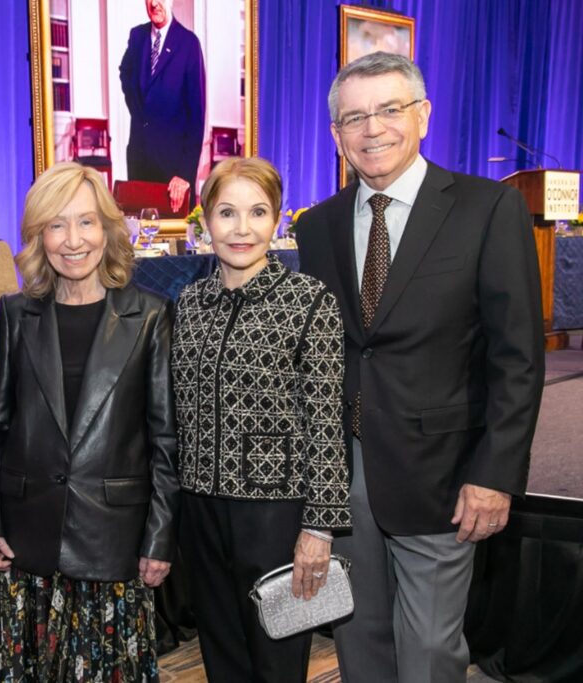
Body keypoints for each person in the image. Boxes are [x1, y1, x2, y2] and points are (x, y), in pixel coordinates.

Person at [295, 52, 545, 683]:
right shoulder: (317, 226)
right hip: (343, 477)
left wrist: (495, 474)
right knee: (358, 639)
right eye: (354, 117)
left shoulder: (488, 209)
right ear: (336, 134)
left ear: (424, 115)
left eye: (389, 109)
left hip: (444, 476)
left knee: (430, 650)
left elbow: (517, 357)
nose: (372, 128)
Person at [0, 162, 180, 682]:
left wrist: (159, 538)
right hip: (27, 538)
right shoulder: (17, 314)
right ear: (38, 236)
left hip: (113, 540)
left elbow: (165, 440)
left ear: (107, 229)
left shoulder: (150, 315)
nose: (72, 240)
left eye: (86, 222)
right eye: (56, 225)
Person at [172, 157, 351, 682]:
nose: (241, 228)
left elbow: (326, 423)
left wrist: (319, 527)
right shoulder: (189, 303)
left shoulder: (309, 301)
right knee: (221, 657)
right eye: (226, 212)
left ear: (276, 219)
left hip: (275, 515)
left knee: (277, 664)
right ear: (205, 219)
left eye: (257, 212)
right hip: (200, 509)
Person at [119, 0, 206, 213]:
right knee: (140, 228)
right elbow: (125, 73)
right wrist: (138, 111)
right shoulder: (137, 36)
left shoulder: (189, 43)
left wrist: (184, 174)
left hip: (173, 170)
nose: (154, 4)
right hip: (140, 160)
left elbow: (196, 116)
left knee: (173, 231)